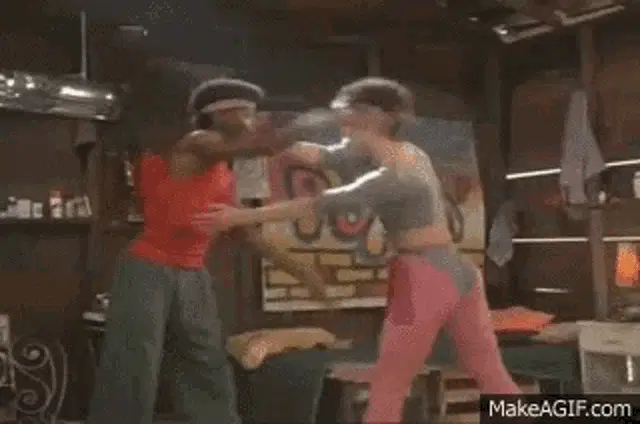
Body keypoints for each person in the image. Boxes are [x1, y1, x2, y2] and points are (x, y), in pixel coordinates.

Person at [197, 77, 522, 424]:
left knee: (390, 384)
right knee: (490, 374)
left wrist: (240, 216)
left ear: (371, 117)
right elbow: (322, 156)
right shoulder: (403, 152)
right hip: (457, 272)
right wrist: (272, 140)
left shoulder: (394, 175)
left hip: (427, 276)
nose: (341, 128)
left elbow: (316, 204)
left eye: (347, 120)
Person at [87, 76, 328, 424]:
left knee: (206, 363)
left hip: (192, 273)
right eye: (243, 112)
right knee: (134, 364)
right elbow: (260, 144)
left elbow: (245, 232)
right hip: (148, 269)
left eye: (253, 112)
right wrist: (317, 120)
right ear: (217, 113)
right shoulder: (197, 144)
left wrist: (300, 270)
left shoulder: (222, 173)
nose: (251, 119)